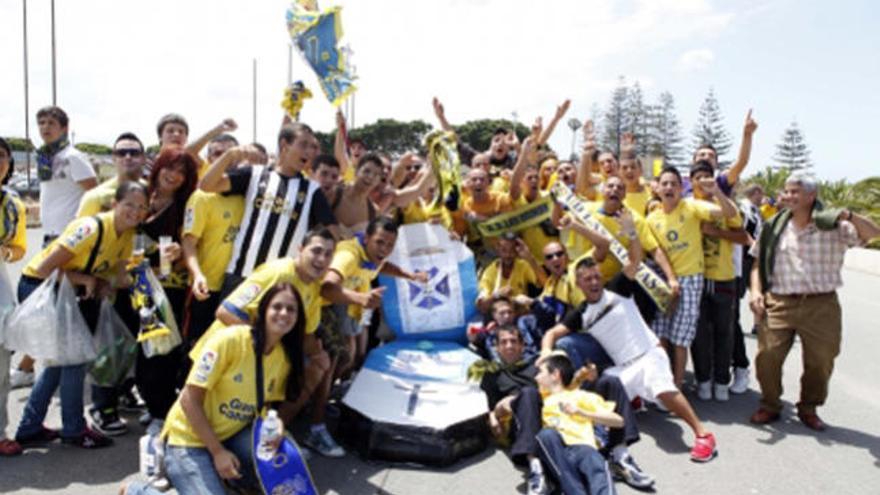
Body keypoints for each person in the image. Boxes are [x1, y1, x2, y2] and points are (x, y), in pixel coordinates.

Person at [122, 282, 306, 495]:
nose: (283, 313)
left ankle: (230, 481)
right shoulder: (230, 340)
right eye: (277, 307)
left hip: (232, 434)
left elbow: (266, 405)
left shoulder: (282, 358)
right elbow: (188, 399)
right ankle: (138, 490)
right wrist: (218, 453)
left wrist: (277, 428)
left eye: (291, 309)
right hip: (188, 439)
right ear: (263, 310)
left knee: (286, 459)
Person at [542, 257, 718, 463]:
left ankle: (703, 434)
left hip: (648, 355)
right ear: (579, 284)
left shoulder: (617, 288)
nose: (594, 282)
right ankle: (628, 406)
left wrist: (631, 231)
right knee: (598, 393)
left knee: (662, 391)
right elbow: (553, 333)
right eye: (588, 279)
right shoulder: (581, 313)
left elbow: (634, 261)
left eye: (597, 277)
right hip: (621, 369)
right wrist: (546, 350)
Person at [15, 182, 149, 449]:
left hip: (69, 292)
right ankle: (74, 430)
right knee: (74, 361)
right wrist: (85, 278)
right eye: (129, 205)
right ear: (115, 204)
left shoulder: (127, 236)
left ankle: (30, 428)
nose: (135, 211)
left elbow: (120, 277)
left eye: (142, 207)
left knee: (57, 364)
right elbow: (43, 269)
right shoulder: (90, 228)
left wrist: (147, 275)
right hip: (41, 288)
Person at [748, 174, 880, 430]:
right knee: (767, 357)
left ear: (812, 195)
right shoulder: (773, 226)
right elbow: (756, 264)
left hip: (821, 306)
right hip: (780, 302)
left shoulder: (835, 227)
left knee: (820, 362)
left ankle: (808, 407)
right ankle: (770, 405)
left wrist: (849, 216)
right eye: (786, 191)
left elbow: (873, 234)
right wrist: (755, 292)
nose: (788, 196)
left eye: (795, 191)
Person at [199, 123, 337, 294]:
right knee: (230, 321)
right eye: (303, 145)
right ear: (284, 145)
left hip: (281, 283)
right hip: (241, 276)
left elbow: (333, 232)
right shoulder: (254, 174)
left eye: (312, 147)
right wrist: (229, 155)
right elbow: (206, 185)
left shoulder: (312, 190)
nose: (309, 152)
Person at [647, 166, 738, 389]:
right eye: (664, 183)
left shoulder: (692, 207)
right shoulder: (652, 218)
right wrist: (669, 279)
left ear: (681, 188)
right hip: (663, 280)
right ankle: (663, 383)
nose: (669, 187)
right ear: (657, 188)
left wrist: (716, 191)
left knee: (681, 338)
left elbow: (729, 213)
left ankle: (677, 386)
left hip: (690, 278)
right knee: (660, 335)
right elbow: (655, 252)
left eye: (674, 184)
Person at [136, 149, 199, 424]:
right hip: (136, 285)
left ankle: (160, 410)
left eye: (181, 172)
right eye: (169, 168)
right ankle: (152, 404)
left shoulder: (187, 207)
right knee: (143, 349)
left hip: (169, 288)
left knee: (164, 351)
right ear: (158, 167)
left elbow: (197, 249)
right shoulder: (141, 196)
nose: (173, 175)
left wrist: (179, 255)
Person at [689, 162, 748, 401]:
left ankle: (722, 380)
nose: (703, 182)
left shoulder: (725, 204)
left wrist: (718, 232)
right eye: (698, 178)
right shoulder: (686, 206)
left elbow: (743, 237)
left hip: (723, 278)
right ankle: (703, 379)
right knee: (699, 332)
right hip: (696, 279)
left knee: (725, 332)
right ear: (691, 181)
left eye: (707, 177)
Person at [182, 134, 246, 346]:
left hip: (238, 286)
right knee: (197, 347)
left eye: (232, 154)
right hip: (206, 287)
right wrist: (197, 274)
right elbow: (189, 242)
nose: (227, 160)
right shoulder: (201, 196)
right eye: (219, 154)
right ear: (209, 160)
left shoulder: (248, 192)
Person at [534, 353, 623, 495]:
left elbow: (618, 421)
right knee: (546, 435)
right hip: (557, 452)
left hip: (582, 447)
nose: (535, 377)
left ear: (555, 375)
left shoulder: (580, 396)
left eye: (540, 372)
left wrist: (582, 413)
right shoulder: (539, 400)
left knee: (593, 461)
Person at [0, 137, 28, 456]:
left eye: (1, 156)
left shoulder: (12, 203)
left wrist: (5, 249)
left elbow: (18, 248)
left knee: (0, 367)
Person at [77, 132, 147, 217]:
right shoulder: (95, 197)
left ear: (143, 158)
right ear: (113, 158)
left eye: (134, 153)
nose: (128, 157)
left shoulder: (151, 191)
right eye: (121, 153)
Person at [476, 232, 545, 314]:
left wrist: (529, 257)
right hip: (499, 317)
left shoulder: (523, 265)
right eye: (504, 250)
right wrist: (497, 296)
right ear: (497, 249)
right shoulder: (489, 272)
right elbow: (481, 307)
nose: (508, 254)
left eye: (512, 250)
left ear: (517, 250)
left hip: (520, 314)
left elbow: (546, 283)